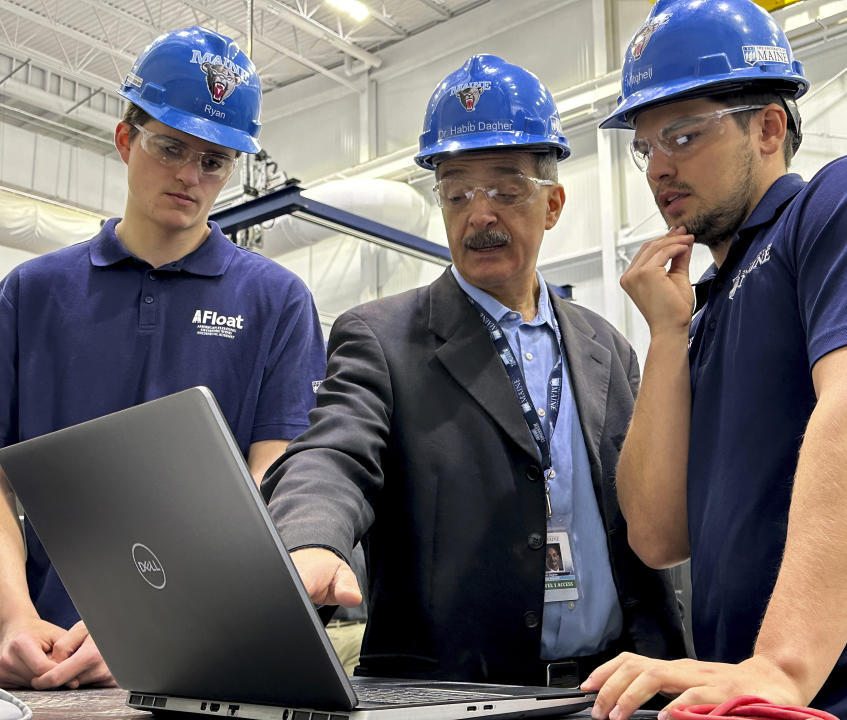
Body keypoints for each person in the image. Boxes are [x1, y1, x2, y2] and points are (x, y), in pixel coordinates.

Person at [581, 1, 847, 718]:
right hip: (749, 697)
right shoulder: (708, 313)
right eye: (647, 147)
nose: (659, 167)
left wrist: (782, 668)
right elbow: (659, 535)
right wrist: (666, 337)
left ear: (768, 126)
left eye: (683, 135)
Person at [262, 54, 685, 688]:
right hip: (455, 692)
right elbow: (333, 452)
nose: (479, 215)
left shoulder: (606, 347)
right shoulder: (382, 339)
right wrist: (310, 537)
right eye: (457, 193)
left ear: (553, 204)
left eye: (506, 191)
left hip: (612, 687)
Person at [0, 26, 326, 691]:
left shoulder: (276, 302)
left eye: (214, 161)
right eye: (171, 148)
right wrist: (13, 617)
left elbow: (272, 483)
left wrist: (160, 621)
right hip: (46, 653)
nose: (190, 176)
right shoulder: (32, 294)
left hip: (205, 661)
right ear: (126, 141)